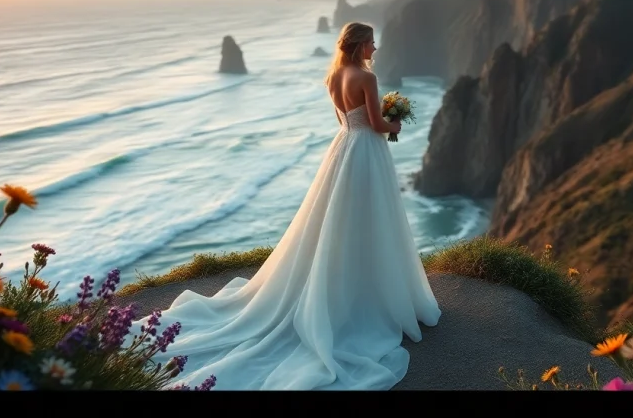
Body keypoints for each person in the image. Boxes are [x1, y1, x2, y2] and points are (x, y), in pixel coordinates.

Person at [137, 21, 441, 390]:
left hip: (343, 150)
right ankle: (370, 294)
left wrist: (377, 123)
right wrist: (396, 124)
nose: (375, 50)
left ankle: (344, 288)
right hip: (366, 153)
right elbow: (376, 124)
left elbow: (345, 121)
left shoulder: (333, 77)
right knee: (370, 222)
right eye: (371, 44)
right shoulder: (366, 79)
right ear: (360, 45)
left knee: (337, 221)